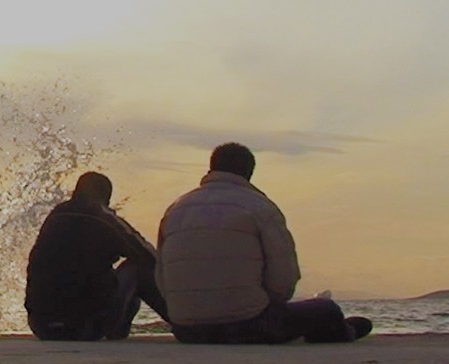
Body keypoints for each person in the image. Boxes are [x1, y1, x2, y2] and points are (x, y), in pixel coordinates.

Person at [156, 142, 373, 344]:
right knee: (327, 309)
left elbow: (162, 275)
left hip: (187, 330)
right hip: (247, 325)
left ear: (211, 168)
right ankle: (343, 331)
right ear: (249, 172)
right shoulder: (260, 207)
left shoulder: (175, 209)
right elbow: (283, 276)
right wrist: (269, 303)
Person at [25, 171, 170, 341]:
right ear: (106, 197)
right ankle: (180, 320)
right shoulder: (102, 217)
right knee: (136, 269)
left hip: (41, 326)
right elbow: (148, 256)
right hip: (85, 327)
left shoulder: (55, 217)